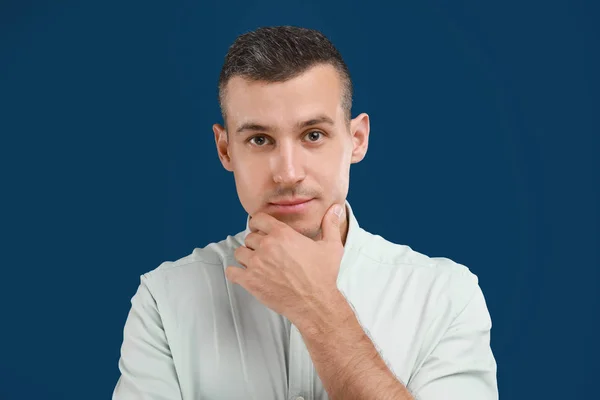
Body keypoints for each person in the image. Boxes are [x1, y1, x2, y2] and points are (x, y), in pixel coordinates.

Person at [112, 26, 498, 400]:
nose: (288, 172)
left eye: (313, 135)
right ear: (226, 150)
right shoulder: (164, 299)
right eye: (259, 139)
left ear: (356, 140)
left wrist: (317, 308)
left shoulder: (446, 297)